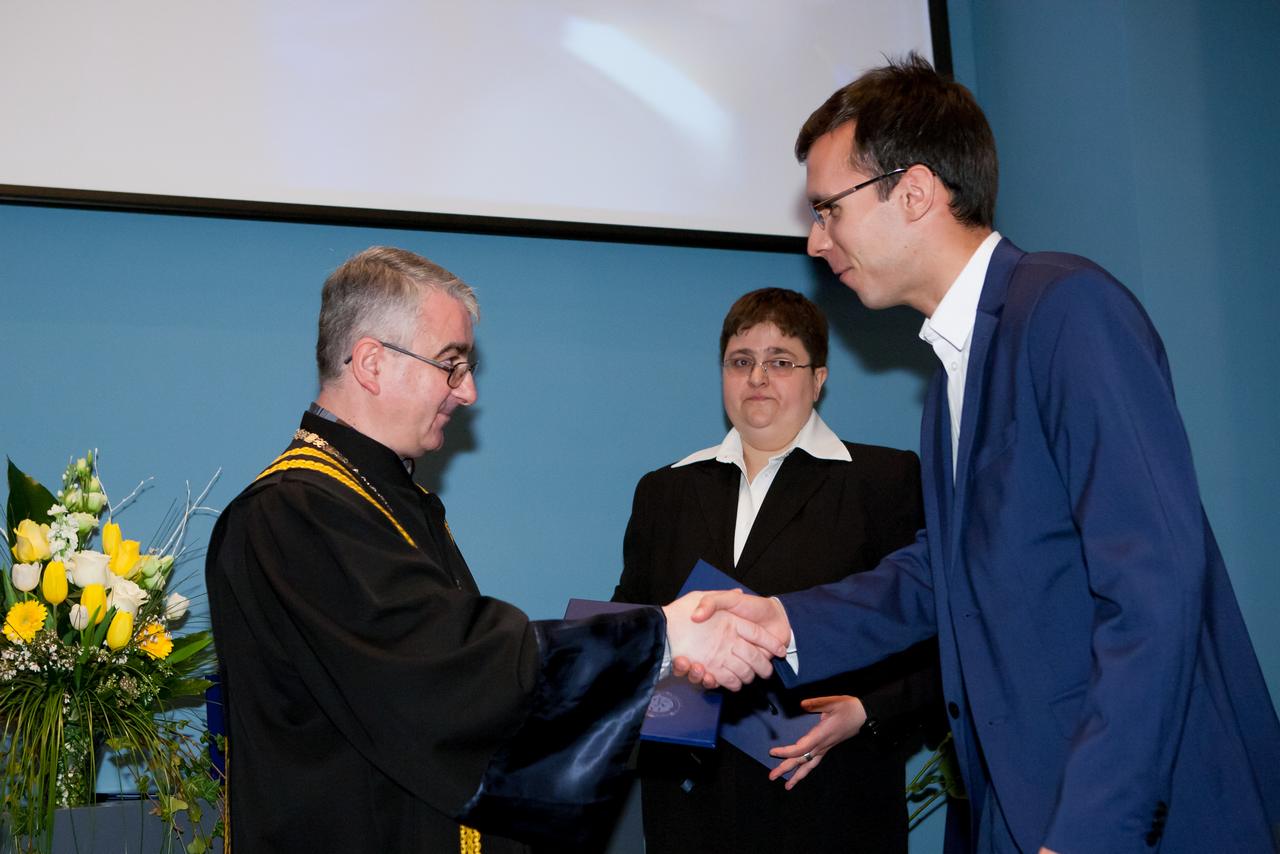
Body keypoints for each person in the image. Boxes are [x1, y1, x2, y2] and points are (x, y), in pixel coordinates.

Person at [682, 55, 1280, 853]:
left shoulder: (1066, 312)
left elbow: (1155, 588)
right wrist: (783, 622)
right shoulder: (950, 377)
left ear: (915, 192)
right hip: (1020, 806)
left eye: (829, 209)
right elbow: (944, 573)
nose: (817, 241)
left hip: (1118, 817)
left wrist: (1091, 832)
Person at [204, 246, 787, 853]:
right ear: (372, 363)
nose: (469, 392)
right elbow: (447, 666)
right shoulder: (294, 512)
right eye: (450, 365)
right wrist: (660, 638)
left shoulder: (380, 496)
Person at [614, 287, 942, 852]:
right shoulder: (664, 490)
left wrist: (868, 712)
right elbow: (633, 627)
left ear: (819, 380)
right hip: (688, 803)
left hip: (831, 794)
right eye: (740, 361)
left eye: (781, 361)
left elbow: (934, 630)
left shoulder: (883, 480)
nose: (758, 377)